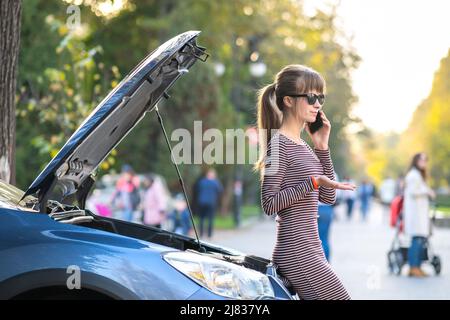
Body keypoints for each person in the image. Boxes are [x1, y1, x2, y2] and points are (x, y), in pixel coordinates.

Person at [255, 64, 356, 300]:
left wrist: (322, 146)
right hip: (295, 251)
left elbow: (329, 197)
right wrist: (311, 182)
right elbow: (269, 204)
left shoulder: (305, 146)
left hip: (311, 248)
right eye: (311, 97)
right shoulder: (278, 145)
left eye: (320, 97)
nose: (318, 104)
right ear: (288, 101)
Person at [404, 153, 436, 277]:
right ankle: (413, 267)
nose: (424, 162)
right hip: (415, 216)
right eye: (422, 159)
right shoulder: (413, 175)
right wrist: (427, 191)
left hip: (419, 215)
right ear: (416, 160)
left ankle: (416, 266)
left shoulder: (417, 175)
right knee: (416, 241)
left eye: (425, 159)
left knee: (419, 240)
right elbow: (413, 191)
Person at [195, 168, 223, 239]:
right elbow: (220, 190)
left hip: (202, 202)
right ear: (213, 175)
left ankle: (201, 234)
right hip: (211, 202)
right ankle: (209, 235)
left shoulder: (202, 182)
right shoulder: (215, 182)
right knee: (210, 219)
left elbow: (197, 189)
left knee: (201, 218)